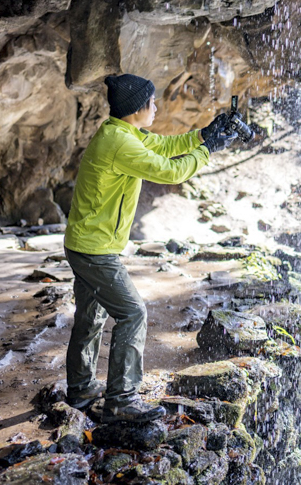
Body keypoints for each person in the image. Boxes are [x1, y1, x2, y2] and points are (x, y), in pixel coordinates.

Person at [63, 73, 240, 423]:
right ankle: (121, 400)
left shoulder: (121, 133)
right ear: (137, 108)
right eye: (153, 103)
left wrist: (204, 134)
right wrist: (208, 151)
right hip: (94, 250)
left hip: (86, 244)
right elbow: (169, 172)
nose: (156, 108)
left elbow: (163, 147)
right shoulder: (120, 143)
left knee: (90, 317)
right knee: (133, 313)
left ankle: (82, 391)